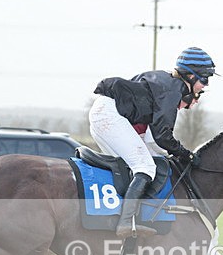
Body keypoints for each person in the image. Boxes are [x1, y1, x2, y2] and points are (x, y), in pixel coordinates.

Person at [89, 46, 216, 238]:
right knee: (145, 167)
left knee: (135, 166)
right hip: (109, 115)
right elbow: (162, 136)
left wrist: (170, 155)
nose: (204, 85)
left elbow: (151, 141)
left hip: (105, 112)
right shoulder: (173, 90)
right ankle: (125, 222)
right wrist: (185, 154)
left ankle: (117, 216)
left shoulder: (165, 82)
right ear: (190, 76)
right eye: (204, 79)